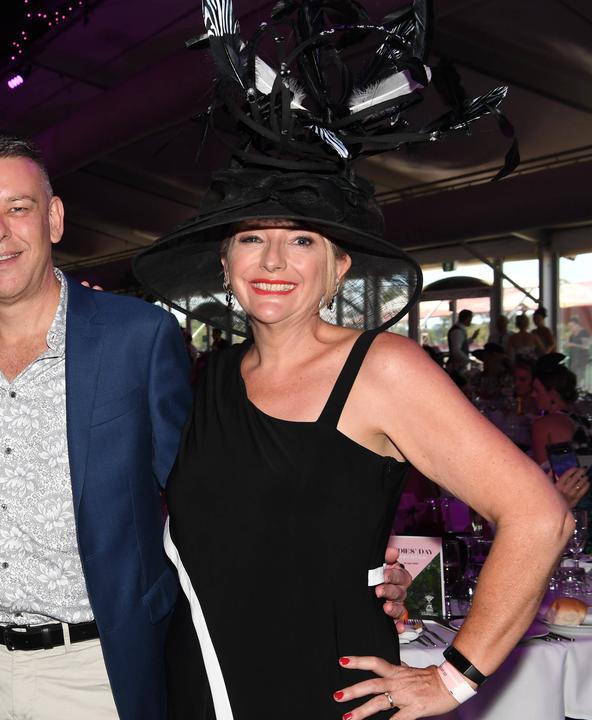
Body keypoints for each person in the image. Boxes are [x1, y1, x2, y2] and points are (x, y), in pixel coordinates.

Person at [132, 1, 572, 718]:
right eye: (252, 238)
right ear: (224, 261)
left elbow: (539, 516)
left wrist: (453, 677)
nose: (274, 259)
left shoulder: (383, 368)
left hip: (323, 694)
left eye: (303, 240)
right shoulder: (213, 378)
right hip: (203, 679)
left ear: (339, 269)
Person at [0, 135, 410, 719]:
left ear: (54, 218)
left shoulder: (139, 337)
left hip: (99, 668)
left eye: (17, 208)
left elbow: (213, 491)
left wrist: (352, 567)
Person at [529, 359, 592, 508]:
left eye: (537, 390)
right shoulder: (582, 419)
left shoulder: (544, 425)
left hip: (573, 504)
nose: (532, 395)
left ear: (552, 394)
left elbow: (544, 480)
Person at [447, 309, 474, 374]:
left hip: (458, 365)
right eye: (470, 318)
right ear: (467, 318)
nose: (471, 320)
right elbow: (456, 350)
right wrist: (467, 360)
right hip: (456, 366)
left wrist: (472, 338)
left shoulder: (458, 330)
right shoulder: (457, 331)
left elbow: (462, 344)